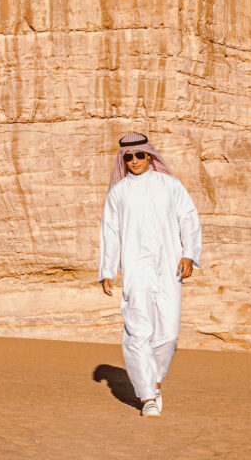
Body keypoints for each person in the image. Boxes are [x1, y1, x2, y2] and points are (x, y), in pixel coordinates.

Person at [98, 132, 202, 418]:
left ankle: (155, 381)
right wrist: (108, 270)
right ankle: (147, 397)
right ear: (123, 160)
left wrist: (189, 254)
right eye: (128, 157)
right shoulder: (118, 194)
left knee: (168, 334)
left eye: (139, 155)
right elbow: (110, 234)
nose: (134, 161)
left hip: (169, 267)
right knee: (138, 331)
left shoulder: (170, 185)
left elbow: (189, 219)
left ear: (150, 155)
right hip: (135, 269)